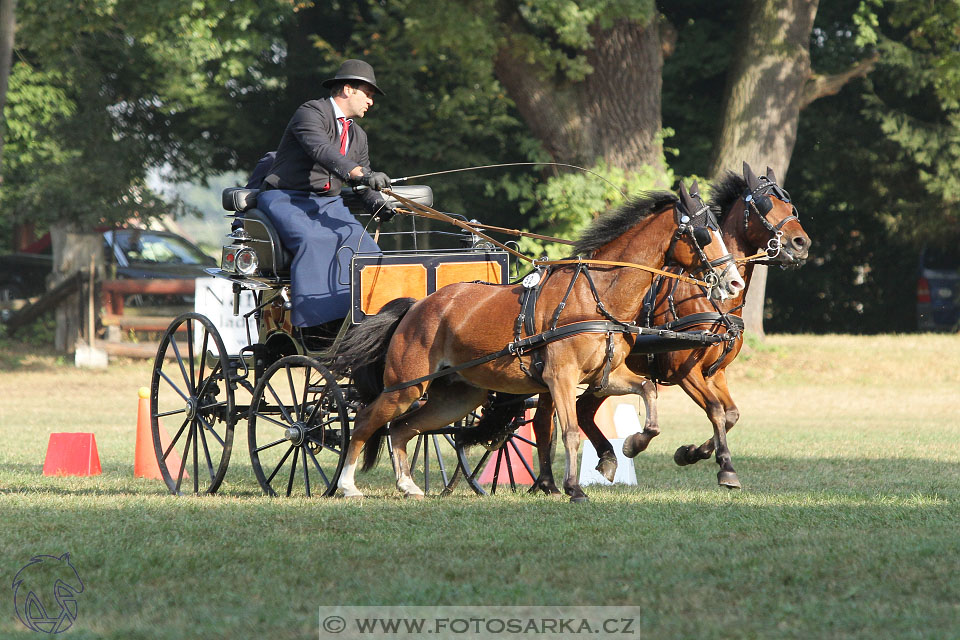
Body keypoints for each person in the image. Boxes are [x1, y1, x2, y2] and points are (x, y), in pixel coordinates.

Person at [256, 59, 394, 334]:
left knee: (368, 250)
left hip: (328, 202)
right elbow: (322, 151)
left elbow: (362, 185)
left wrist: (378, 204)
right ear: (347, 89)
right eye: (367, 94)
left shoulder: (359, 136)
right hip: (287, 198)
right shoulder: (310, 112)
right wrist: (361, 174)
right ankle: (317, 325)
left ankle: (370, 318)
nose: (371, 101)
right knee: (314, 239)